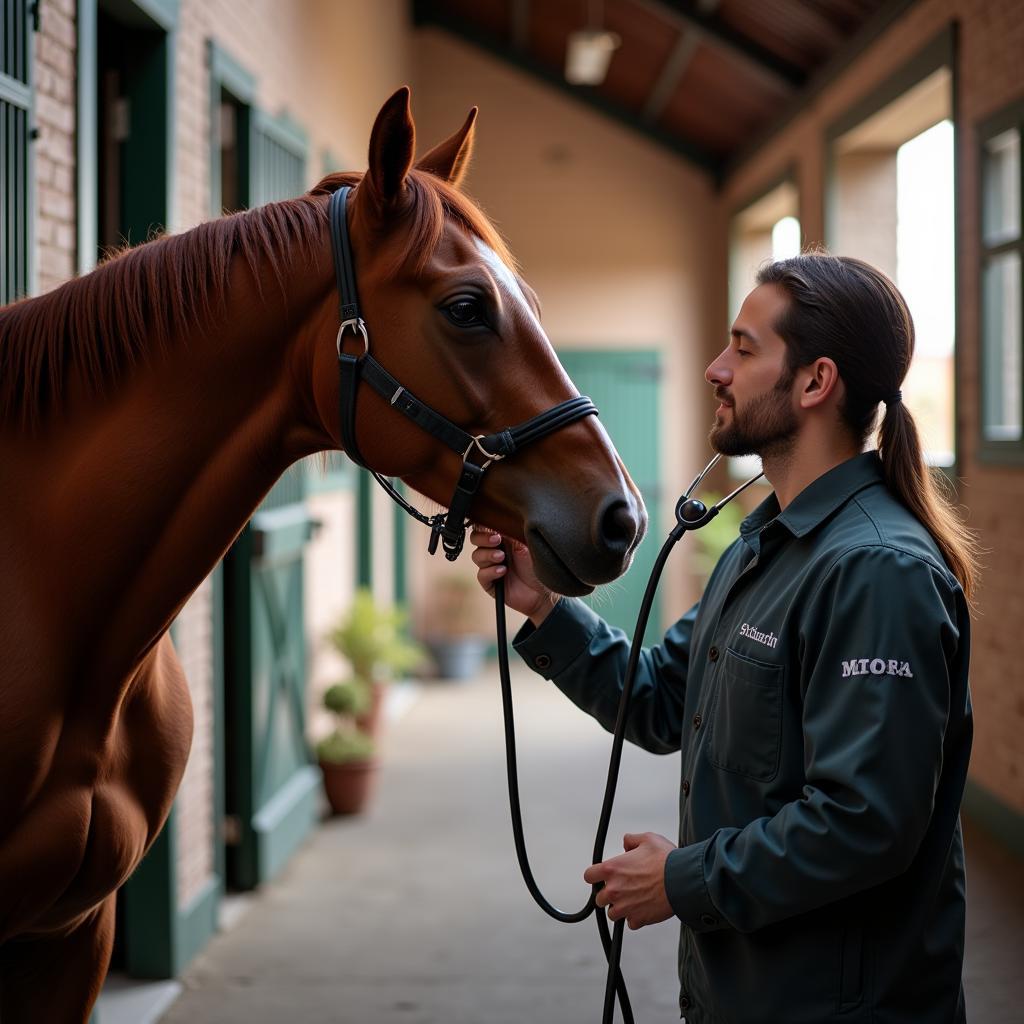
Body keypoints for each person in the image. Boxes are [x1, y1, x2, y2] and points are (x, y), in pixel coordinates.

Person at [471, 252, 977, 1024]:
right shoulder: (761, 544)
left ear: (815, 382)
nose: (715, 369)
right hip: (734, 994)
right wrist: (543, 606)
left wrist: (683, 880)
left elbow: (865, 822)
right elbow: (661, 701)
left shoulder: (877, 572)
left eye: (743, 348)